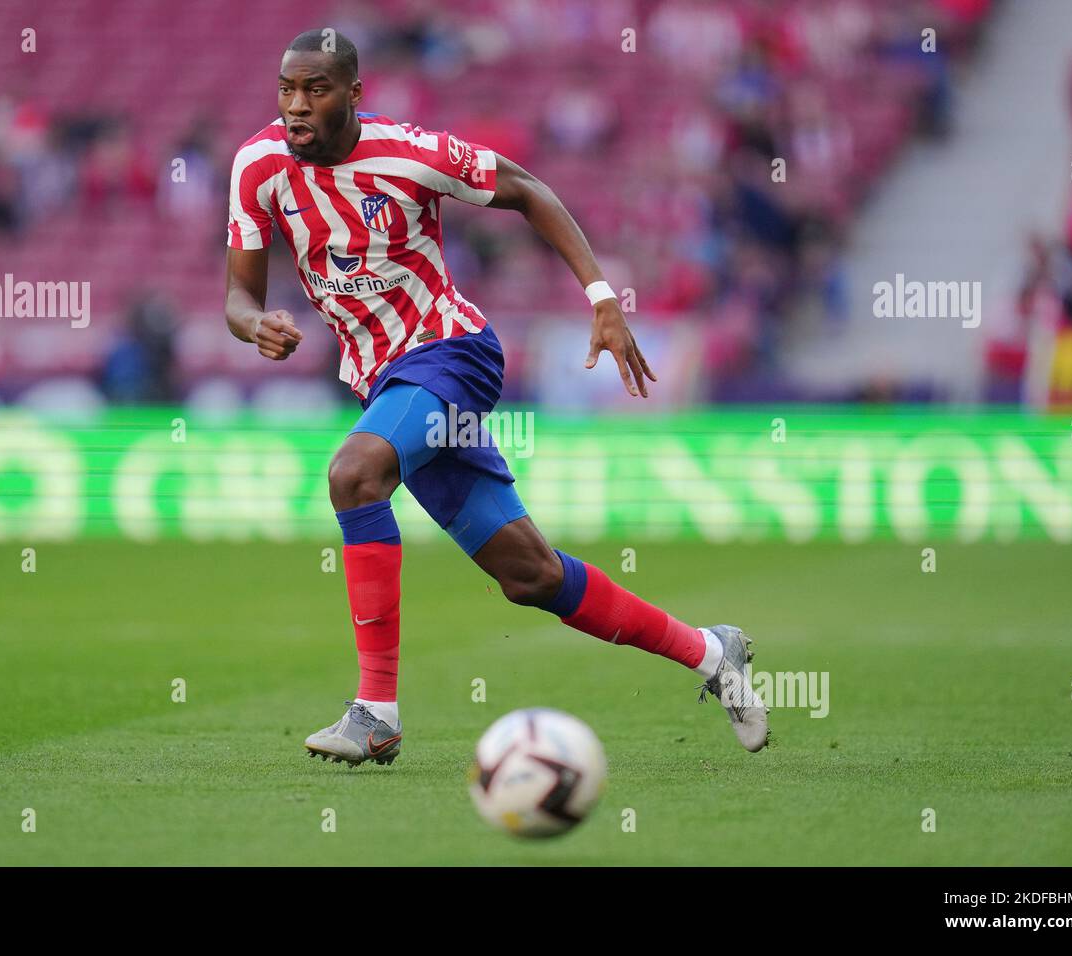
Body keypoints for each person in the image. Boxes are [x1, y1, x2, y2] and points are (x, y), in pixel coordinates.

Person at [224, 30, 769, 766]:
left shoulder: (412, 153)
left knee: (354, 475)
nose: (296, 105)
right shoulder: (257, 167)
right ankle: (711, 651)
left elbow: (529, 191)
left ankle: (375, 711)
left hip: (450, 354)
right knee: (531, 576)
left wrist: (602, 297)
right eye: (287, 89)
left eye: (315, 89)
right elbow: (238, 295)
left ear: (353, 95)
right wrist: (258, 324)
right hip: (383, 382)